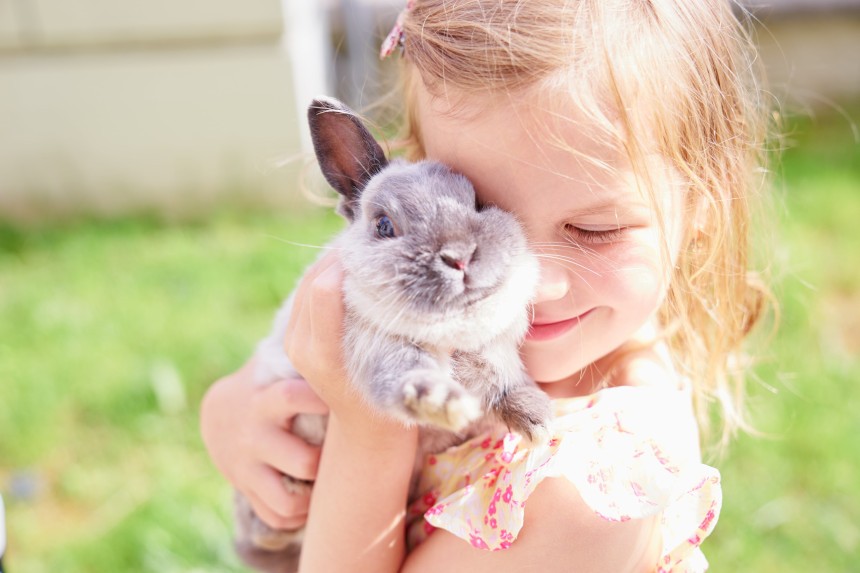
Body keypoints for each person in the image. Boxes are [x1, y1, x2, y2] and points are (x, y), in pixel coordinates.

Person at [201, 0, 773, 570]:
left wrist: (368, 423)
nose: (539, 283)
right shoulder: (452, 313)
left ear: (701, 204)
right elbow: (261, 388)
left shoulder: (592, 497)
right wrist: (224, 412)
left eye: (596, 230)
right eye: (480, 206)